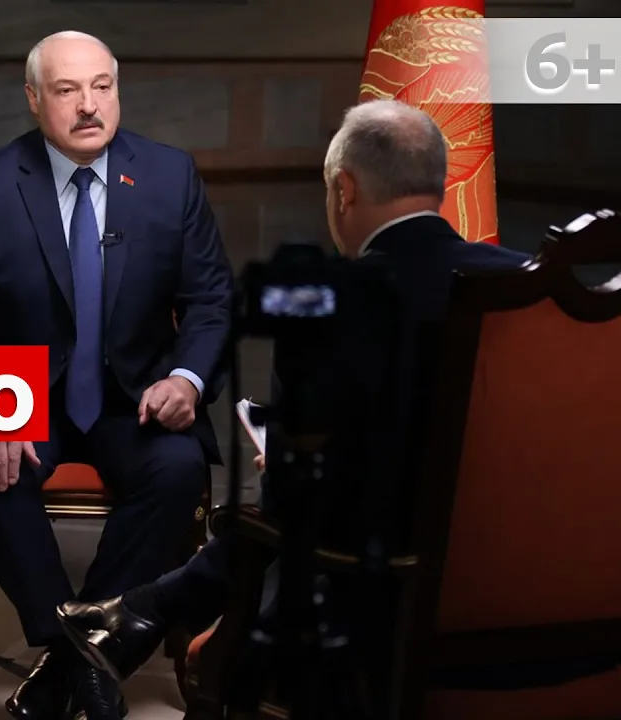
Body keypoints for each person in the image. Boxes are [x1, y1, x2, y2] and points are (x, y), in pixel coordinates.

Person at [56, 99, 538, 685]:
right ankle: (141, 612)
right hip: (540, 591)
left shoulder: (322, 305)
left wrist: (286, 462)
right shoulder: (528, 286)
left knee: (286, 522)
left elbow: (295, 504)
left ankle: (142, 613)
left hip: (378, 615)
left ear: (344, 191)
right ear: (440, 182)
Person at [0, 30, 233, 719]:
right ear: (34, 99)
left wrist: (186, 379)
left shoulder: (170, 176)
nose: (89, 105)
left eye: (102, 87)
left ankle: (69, 662)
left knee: (177, 469)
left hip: (134, 397)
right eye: (67, 90)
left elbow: (211, 301)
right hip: (17, 399)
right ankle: (85, 650)